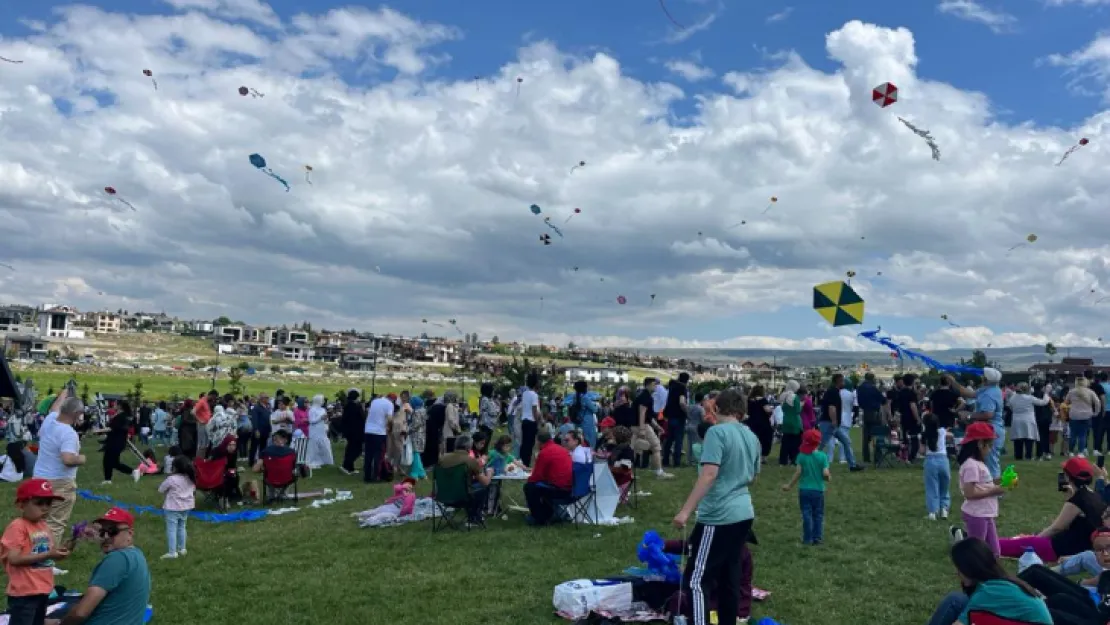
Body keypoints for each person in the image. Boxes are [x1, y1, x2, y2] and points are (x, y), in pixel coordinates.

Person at [671, 389, 760, 625]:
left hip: (719, 515)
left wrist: (685, 510)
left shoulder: (716, 433)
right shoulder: (751, 436)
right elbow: (752, 477)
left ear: (717, 408)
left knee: (697, 579)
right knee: (729, 576)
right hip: (743, 513)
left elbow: (709, 474)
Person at [47, 507, 151, 625]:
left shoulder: (117, 559)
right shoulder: (137, 555)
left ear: (130, 534)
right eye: (102, 531)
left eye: (112, 531)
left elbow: (81, 613)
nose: (106, 537)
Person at [998, 457, 1108, 562]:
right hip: (1080, 547)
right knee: (1023, 539)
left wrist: (1035, 540)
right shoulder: (1094, 495)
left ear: (1067, 476)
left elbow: (1056, 528)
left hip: (1059, 548)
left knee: (1005, 545)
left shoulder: (1078, 500)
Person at [925, 537, 1051, 625]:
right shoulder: (1000, 583)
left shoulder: (989, 592)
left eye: (959, 569)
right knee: (959, 600)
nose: (957, 573)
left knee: (954, 600)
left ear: (971, 568)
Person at [2, 479, 69, 625]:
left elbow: (48, 556)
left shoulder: (43, 526)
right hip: (24, 592)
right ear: (21, 504)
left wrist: (59, 553)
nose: (45, 508)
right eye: (39, 503)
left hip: (43, 589)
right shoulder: (17, 526)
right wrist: (48, 554)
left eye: (48, 503)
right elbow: (14, 558)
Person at [33, 395, 85, 545]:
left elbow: (55, 406)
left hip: (39, 479)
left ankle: (34, 555)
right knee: (55, 522)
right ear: (76, 413)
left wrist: (65, 391)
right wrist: (81, 458)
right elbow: (68, 459)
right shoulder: (68, 433)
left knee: (39, 520)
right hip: (60, 482)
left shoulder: (50, 420)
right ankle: (45, 562)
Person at [957, 422, 1005, 556]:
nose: (990, 449)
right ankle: (973, 573)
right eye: (989, 445)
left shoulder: (978, 464)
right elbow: (969, 493)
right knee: (978, 552)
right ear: (979, 444)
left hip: (985, 513)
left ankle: (991, 573)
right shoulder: (971, 465)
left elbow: (982, 484)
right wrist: (994, 491)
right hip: (977, 514)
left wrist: (1001, 483)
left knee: (994, 552)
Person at [948, 370, 1006, 479]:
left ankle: (994, 491)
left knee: (990, 461)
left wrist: (969, 416)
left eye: (983, 376)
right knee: (988, 460)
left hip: (990, 429)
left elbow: (988, 414)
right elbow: (967, 393)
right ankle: (988, 489)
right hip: (991, 429)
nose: (981, 378)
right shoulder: (991, 389)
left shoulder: (988, 394)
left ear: (986, 379)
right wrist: (953, 381)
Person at [781, 428, 829, 545]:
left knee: (806, 514)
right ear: (819, 442)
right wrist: (828, 477)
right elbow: (825, 474)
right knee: (818, 514)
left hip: (804, 490)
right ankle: (817, 538)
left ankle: (807, 539)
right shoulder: (823, 456)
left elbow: (798, 473)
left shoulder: (801, 456)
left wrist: (789, 486)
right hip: (818, 491)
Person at [438, 434, 493, 524]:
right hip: (461, 498)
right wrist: (490, 473)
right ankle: (474, 517)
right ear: (469, 447)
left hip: (442, 496)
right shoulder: (470, 461)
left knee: (472, 486)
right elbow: (485, 482)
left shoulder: (442, 459)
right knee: (483, 488)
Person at [524, 430, 573, 526]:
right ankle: (549, 515)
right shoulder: (562, 449)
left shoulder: (544, 452)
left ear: (538, 442)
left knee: (529, 487)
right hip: (570, 488)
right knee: (540, 487)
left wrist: (529, 479)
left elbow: (536, 476)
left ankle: (538, 518)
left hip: (558, 489)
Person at [818, 374, 863, 472]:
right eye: (842, 381)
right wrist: (834, 421)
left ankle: (852, 465)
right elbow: (831, 408)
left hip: (833, 424)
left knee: (846, 442)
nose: (844, 383)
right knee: (822, 444)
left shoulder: (834, 392)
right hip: (829, 423)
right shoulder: (833, 392)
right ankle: (808, 462)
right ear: (838, 382)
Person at [633, 378, 673, 479]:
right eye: (654, 384)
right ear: (648, 385)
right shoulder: (645, 397)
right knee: (656, 447)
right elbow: (642, 413)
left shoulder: (644, 395)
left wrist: (657, 427)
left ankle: (629, 472)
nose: (656, 386)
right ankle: (659, 472)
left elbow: (648, 416)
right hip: (641, 425)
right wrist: (642, 429)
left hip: (636, 425)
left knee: (634, 448)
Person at [157, 456, 194, 560]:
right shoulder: (191, 478)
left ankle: (172, 552)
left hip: (173, 507)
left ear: (174, 467)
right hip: (187, 507)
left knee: (171, 529)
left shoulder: (171, 479)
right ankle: (182, 549)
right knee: (182, 526)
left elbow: (161, 489)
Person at [1008, 382, 1051, 461]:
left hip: (1016, 419)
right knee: (1029, 438)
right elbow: (1043, 402)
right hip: (1028, 419)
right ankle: (1028, 456)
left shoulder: (1013, 398)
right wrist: (1046, 394)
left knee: (1018, 438)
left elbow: (1010, 406)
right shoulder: (1029, 398)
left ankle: (1018, 456)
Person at [923, 412, 952, 521]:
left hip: (930, 461)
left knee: (932, 487)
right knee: (944, 487)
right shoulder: (942, 431)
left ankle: (932, 512)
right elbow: (951, 436)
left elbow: (921, 451)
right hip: (943, 460)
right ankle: (944, 509)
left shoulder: (924, 435)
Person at [101, 402, 137, 485]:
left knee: (109, 461)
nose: (114, 406)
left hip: (115, 441)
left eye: (115, 404)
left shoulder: (121, 416)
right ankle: (108, 479)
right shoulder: (123, 416)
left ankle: (132, 472)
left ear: (120, 406)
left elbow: (114, 428)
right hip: (117, 441)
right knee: (113, 462)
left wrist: (100, 431)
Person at [661, 373, 689, 467]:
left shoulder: (672, 387)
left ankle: (665, 460)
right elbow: (682, 402)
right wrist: (687, 412)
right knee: (678, 440)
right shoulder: (682, 388)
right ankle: (676, 462)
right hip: (679, 417)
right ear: (686, 381)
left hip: (670, 416)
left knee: (669, 440)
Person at [1068, 379, 1101, 458]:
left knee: (1073, 434)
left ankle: (1071, 451)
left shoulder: (1071, 392)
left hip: (1074, 415)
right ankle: (1081, 452)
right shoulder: (1090, 392)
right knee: (1083, 435)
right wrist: (1096, 412)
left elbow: (1066, 401)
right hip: (1086, 415)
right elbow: (1097, 402)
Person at [856, 373, 885, 463]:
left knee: (866, 437)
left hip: (865, 413)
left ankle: (866, 457)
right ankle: (878, 457)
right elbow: (883, 400)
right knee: (878, 435)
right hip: (874, 413)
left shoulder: (860, 388)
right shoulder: (873, 388)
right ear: (872, 379)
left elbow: (859, 401)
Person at [364, 393, 393, 483]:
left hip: (368, 430)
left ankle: (367, 476)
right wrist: (390, 428)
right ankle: (376, 476)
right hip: (379, 432)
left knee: (368, 455)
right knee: (378, 455)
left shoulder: (374, 401)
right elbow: (390, 419)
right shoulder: (389, 404)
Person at [568, 380, 600, 450]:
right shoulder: (585, 398)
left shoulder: (574, 397)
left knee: (580, 442)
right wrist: (596, 405)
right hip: (587, 424)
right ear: (584, 388)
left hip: (578, 422)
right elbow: (595, 410)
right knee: (589, 443)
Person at [519, 375, 542, 466]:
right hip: (531, 421)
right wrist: (538, 422)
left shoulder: (525, 393)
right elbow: (534, 410)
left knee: (524, 443)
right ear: (536, 383)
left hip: (524, 420)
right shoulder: (534, 395)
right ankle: (526, 464)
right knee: (529, 445)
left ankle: (522, 462)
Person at [778, 381, 803, 466]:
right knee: (796, 442)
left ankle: (783, 461)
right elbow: (798, 410)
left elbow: (783, 408)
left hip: (786, 420)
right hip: (794, 421)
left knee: (785, 442)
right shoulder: (795, 397)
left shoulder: (783, 396)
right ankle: (794, 460)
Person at [339, 390, 363, 475]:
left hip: (351, 432)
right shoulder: (354, 406)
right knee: (356, 450)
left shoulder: (348, 405)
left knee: (351, 448)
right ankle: (346, 465)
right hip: (355, 432)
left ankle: (350, 467)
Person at [305, 395, 333, 469]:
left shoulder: (323, 409)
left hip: (322, 430)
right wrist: (320, 418)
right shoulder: (312, 410)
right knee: (314, 446)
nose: (323, 401)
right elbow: (311, 421)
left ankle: (324, 460)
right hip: (314, 430)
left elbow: (324, 419)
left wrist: (326, 420)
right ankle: (313, 460)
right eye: (322, 400)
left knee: (324, 444)